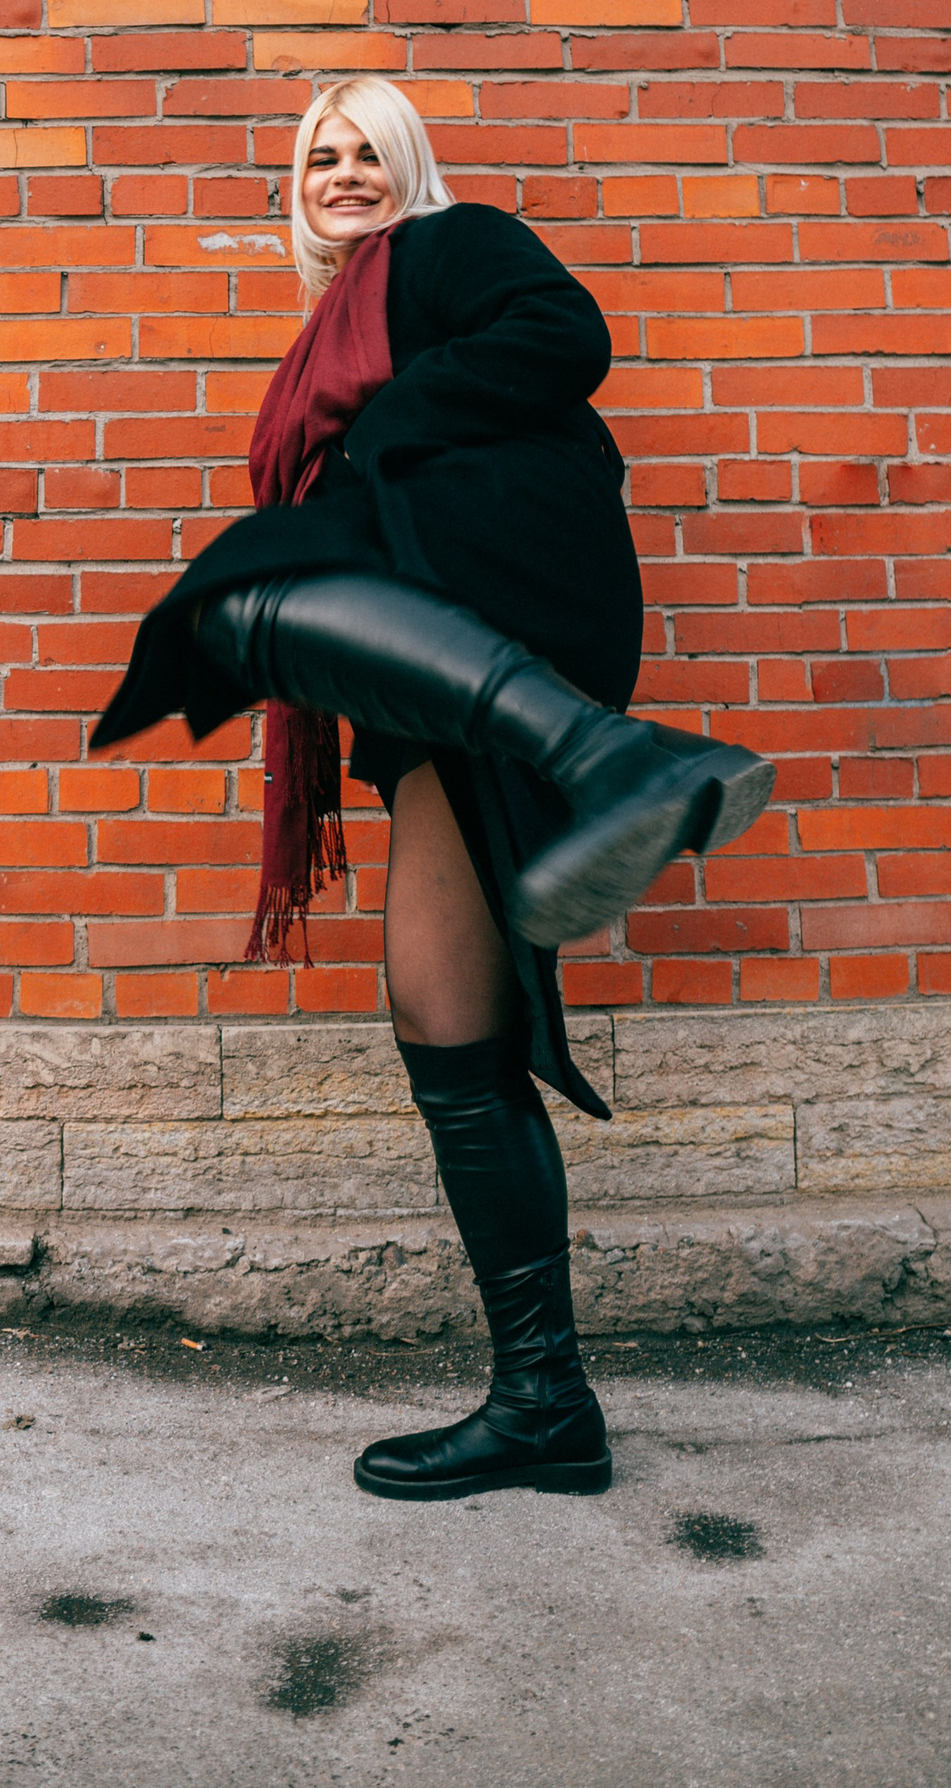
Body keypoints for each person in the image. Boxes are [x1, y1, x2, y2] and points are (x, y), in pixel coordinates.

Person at [92, 77, 773, 1502]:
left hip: (501, 584)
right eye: (319, 158)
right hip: (436, 670)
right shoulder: (326, 333)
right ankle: (545, 1405)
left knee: (242, 597)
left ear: (411, 172)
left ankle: (605, 755)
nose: (344, 175)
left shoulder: (449, 247)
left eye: (369, 154)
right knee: (449, 1026)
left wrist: (387, 433)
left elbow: (567, 335)